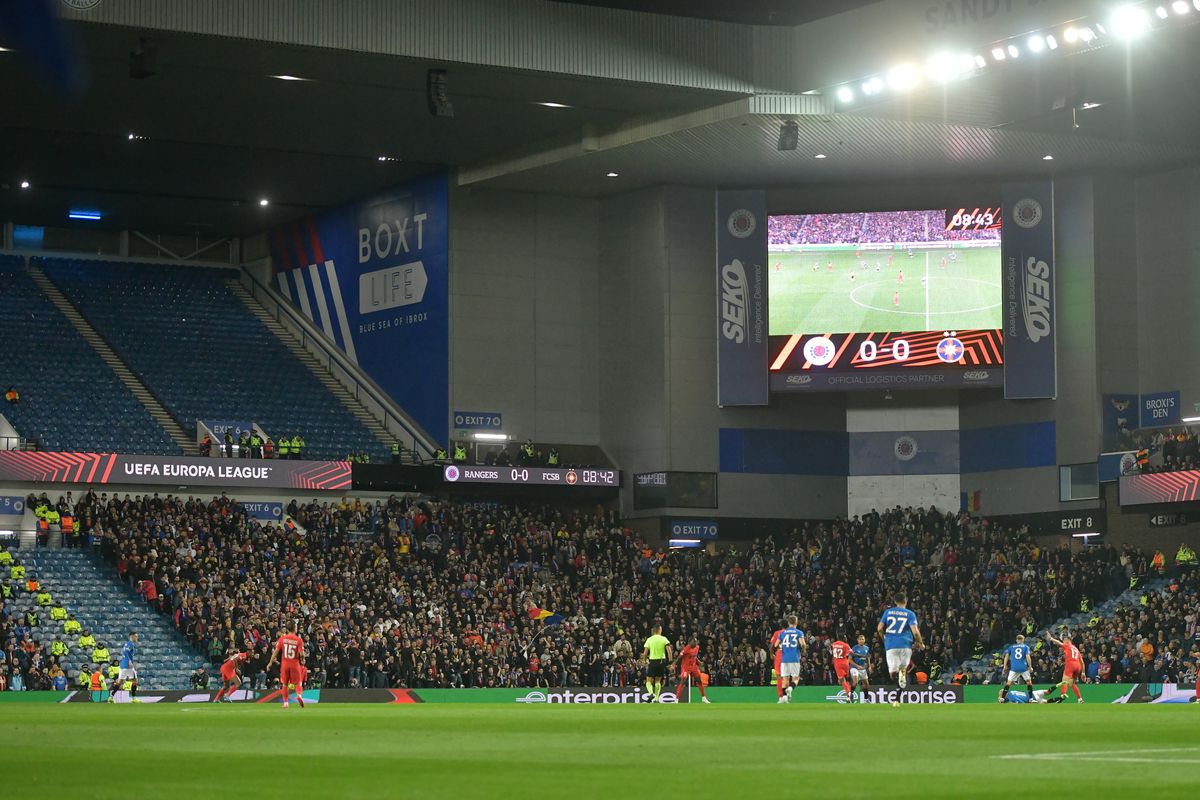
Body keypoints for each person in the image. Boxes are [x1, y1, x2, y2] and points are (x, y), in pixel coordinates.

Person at [877, 595, 923, 689]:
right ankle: (901, 681)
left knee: (892, 674)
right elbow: (915, 632)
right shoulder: (910, 614)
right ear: (906, 601)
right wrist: (920, 643)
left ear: (895, 601)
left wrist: (884, 639)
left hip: (891, 645)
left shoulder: (888, 612)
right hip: (906, 645)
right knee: (903, 669)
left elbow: (879, 628)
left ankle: (898, 680)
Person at [266, 620, 306, 708]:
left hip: (285, 664)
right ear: (295, 628)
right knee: (298, 683)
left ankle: (285, 703)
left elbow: (276, 652)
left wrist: (270, 663)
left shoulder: (282, 639)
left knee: (285, 684)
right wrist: (303, 660)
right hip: (294, 664)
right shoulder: (298, 640)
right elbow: (301, 653)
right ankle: (299, 695)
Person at [1045, 631, 1085, 703]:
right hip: (1078, 666)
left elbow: (1058, 643)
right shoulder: (1076, 649)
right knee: (1072, 683)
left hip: (1070, 664)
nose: (1063, 641)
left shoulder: (1067, 645)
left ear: (1068, 640)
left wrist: (1051, 638)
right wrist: (1083, 672)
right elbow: (1082, 662)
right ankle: (1080, 699)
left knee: (1064, 681)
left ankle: (1063, 695)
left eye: (1064, 640)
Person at [775, 614, 807, 703]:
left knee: (785, 678)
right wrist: (803, 651)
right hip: (794, 658)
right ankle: (790, 688)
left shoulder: (782, 633)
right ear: (796, 622)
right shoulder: (799, 632)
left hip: (784, 659)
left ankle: (784, 698)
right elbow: (803, 644)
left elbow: (775, 645)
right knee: (795, 678)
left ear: (788, 623)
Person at [998, 634, 1035, 703]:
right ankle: (1030, 699)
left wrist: (1004, 666)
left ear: (1016, 640)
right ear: (1023, 640)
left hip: (1014, 668)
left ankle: (1002, 698)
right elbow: (1027, 656)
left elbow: (1006, 656)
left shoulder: (1011, 647)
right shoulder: (1026, 647)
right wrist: (1030, 666)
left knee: (1008, 683)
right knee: (1028, 682)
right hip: (1023, 667)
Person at [673, 635, 709, 704]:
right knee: (683, 681)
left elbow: (695, 657)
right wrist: (673, 664)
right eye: (694, 642)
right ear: (689, 642)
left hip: (694, 667)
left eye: (696, 641)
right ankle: (676, 699)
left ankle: (703, 698)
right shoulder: (686, 649)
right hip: (686, 668)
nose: (695, 643)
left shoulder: (697, 647)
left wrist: (699, 662)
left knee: (699, 681)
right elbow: (679, 658)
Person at [640, 624, 672, 701]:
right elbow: (669, 650)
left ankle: (651, 693)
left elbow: (645, 652)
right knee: (658, 680)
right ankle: (657, 698)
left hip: (652, 661)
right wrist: (670, 661)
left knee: (648, 680)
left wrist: (644, 661)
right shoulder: (664, 639)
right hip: (661, 661)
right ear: (659, 630)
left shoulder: (649, 639)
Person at [109, 631, 141, 703]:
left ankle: (111, 697)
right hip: (128, 665)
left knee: (119, 682)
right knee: (135, 682)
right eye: (136, 636)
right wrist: (129, 661)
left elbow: (124, 652)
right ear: (132, 636)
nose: (137, 638)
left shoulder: (126, 644)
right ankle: (133, 698)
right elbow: (126, 652)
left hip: (122, 665)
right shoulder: (130, 644)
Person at [829, 633, 854, 702]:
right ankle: (848, 698)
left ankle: (849, 693)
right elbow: (851, 653)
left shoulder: (833, 644)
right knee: (847, 680)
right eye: (845, 637)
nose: (846, 638)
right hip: (845, 662)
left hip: (837, 663)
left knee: (842, 680)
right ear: (843, 638)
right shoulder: (846, 645)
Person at [849, 634, 871, 702]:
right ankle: (851, 694)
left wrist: (869, 666)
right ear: (857, 640)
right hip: (854, 667)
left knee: (866, 684)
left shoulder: (867, 648)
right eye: (860, 639)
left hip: (862, 668)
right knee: (855, 681)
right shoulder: (854, 648)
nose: (862, 640)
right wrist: (857, 666)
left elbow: (868, 657)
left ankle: (866, 699)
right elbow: (849, 660)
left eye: (863, 639)